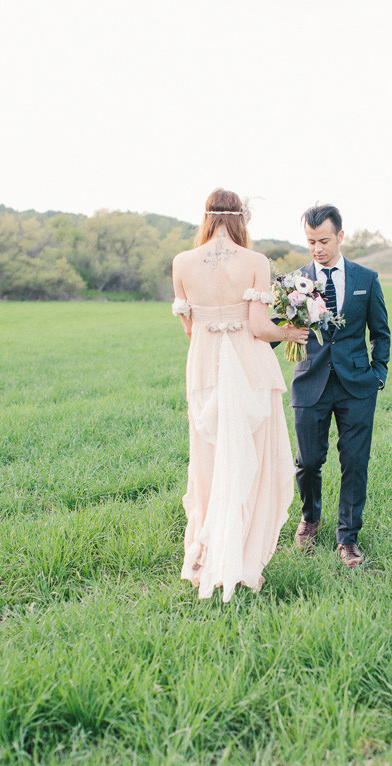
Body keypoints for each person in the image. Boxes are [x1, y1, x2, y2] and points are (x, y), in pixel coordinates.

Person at [172, 188, 308, 602]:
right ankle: (244, 559)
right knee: (252, 462)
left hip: (205, 369)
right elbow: (260, 327)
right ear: (241, 218)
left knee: (210, 465)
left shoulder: (182, 262)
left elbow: (190, 329)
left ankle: (207, 554)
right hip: (249, 369)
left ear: (206, 217)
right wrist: (290, 332)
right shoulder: (255, 262)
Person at [291, 204, 390, 568]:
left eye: (324, 240)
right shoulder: (294, 282)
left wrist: (378, 373)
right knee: (308, 462)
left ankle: (348, 538)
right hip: (310, 382)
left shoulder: (366, 278)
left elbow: (380, 332)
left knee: (355, 462)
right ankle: (310, 519)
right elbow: (276, 327)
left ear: (340, 236)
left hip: (357, 385)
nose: (317, 248)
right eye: (311, 241)